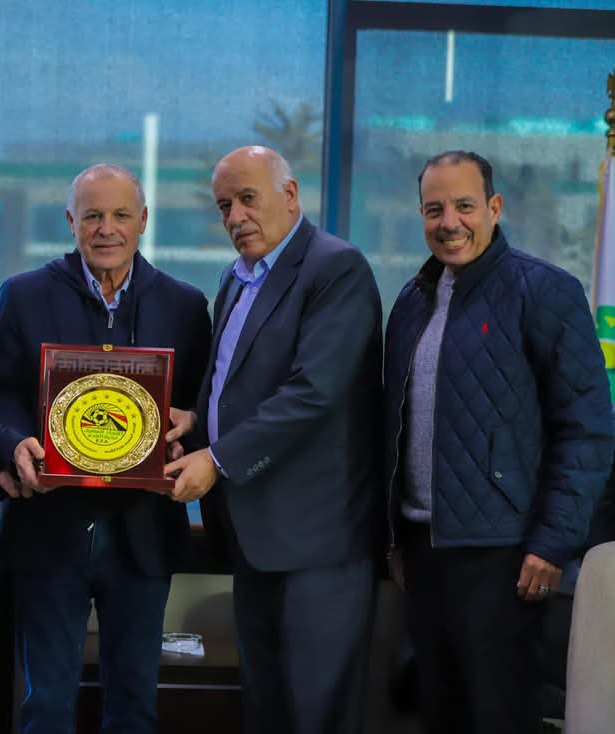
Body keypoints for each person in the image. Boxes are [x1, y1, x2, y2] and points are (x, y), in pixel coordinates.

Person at [382, 150, 615, 734]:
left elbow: (586, 428)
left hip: (507, 556)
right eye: (434, 210)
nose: (449, 222)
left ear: (495, 207)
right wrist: (395, 539)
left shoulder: (545, 291)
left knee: (500, 716)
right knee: (438, 715)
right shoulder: (411, 301)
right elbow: (394, 427)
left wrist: (552, 544)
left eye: (464, 206)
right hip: (424, 551)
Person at [165, 145, 382, 734]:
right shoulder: (236, 277)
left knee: (316, 714)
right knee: (265, 708)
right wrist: (197, 420)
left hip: (317, 543)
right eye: (223, 206)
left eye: (247, 198)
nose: (235, 216)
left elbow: (313, 392)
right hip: (251, 534)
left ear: (290, 195)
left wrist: (217, 458)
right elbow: (234, 379)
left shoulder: (336, 268)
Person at [0, 163, 211, 733]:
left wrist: (189, 431)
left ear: (143, 220)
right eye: (92, 216)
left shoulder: (185, 305)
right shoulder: (23, 295)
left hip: (143, 534)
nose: (106, 229)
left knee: (135, 703)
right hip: (48, 529)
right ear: (70, 222)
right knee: (45, 704)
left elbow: (203, 406)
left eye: (120, 215)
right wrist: (13, 444)